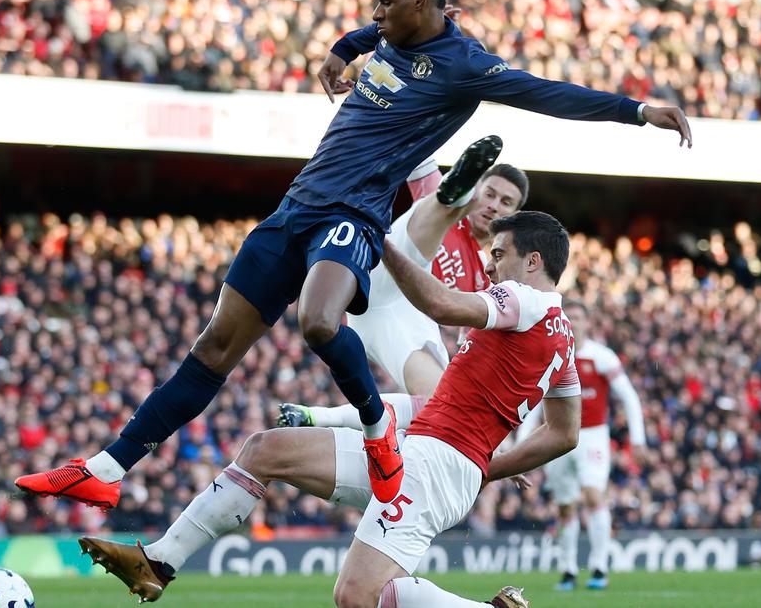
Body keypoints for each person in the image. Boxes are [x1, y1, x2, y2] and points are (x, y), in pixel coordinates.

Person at [16, 0, 690, 509]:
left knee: (317, 322)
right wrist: (339, 54)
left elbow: (551, 94)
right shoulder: (391, 37)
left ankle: (376, 431)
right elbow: (360, 39)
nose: (375, 14)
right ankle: (106, 469)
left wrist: (637, 111)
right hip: (296, 207)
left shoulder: (464, 65)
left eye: (386, 3)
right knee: (215, 345)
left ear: (421, 2)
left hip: (355, 214)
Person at [78, 210, 582, 608]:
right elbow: (564, 433)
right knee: (266, 450)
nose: (490, 266)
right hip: (427, 455)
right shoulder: (565, 343)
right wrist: (487, 469)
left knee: (356, 596)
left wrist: (381, 242)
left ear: (533, 262)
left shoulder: (524, 300)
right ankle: (160, 562)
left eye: (499, 254)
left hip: (435, 465)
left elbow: (442, 305)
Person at [278, 142, 529, 431]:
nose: (494, 205)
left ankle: (316, 418)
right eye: (490, 194)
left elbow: (471, 347)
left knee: (444, 402)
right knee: (436, 207)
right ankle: (453, 195)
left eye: (505, 202)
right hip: (382, 269)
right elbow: (413, 140)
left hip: (397, 320)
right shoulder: (436, 194)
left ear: (513, 217)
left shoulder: (483, 277)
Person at [527, 300, 645, 591]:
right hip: (557, 436)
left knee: (593, 495)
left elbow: (629, 396)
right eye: (571, 317)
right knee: (565, 507)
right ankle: (568, 570)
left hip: (592, 435)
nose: (575, 322)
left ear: (588, 322)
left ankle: (599, 567)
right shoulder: (552, 354)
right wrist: (522, 442)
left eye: (580, 317)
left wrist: (638, 439)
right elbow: (534, 401)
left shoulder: (601, 356)